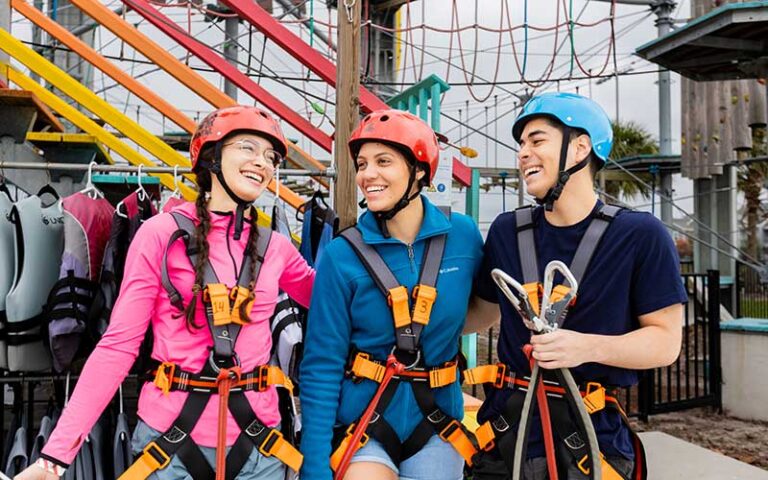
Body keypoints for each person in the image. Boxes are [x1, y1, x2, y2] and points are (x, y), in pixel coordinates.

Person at [17, 105, 315, 480]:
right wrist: (54, 458)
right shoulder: (160, 234)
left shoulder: (275, 248)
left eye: (270, 157)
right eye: (248, 148)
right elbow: (118, 346)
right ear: (212, 156)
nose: (263, 162)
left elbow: (335, 301)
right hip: (170, 450)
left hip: (258, 452)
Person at [464, 92, 686, 479]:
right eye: (521, 145)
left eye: (536, 140)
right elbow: (481, 311)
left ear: (580, 147)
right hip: (506, 437)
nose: (523, 153)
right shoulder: (507, 231)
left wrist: (585, 346)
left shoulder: (638, 235)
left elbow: (666, 342)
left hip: (588, 441)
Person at [299, 110, 484, 480]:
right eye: (363, 164)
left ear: (418, 171)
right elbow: (322, 364)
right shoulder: (341, 255)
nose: (368, 174)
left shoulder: (462, 237)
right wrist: (315, 467)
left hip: (436, 423)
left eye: (384, 161)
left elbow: (485, 308)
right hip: (365, 423)